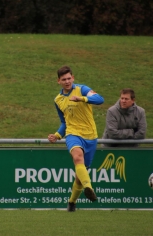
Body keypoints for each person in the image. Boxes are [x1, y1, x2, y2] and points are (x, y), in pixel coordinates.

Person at [47, 65, 104, 212]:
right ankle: (89, 187)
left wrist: (83, 99)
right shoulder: (58, 100)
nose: (67, 81)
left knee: (80, 176)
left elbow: (99, 99)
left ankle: (72, 202)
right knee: (77, 157)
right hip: (73, 134)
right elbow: (64, 122)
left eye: (69, 78)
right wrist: (58, 135)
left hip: (90, 136)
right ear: (58, 81)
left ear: (73, 77)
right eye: (63, 79)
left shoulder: (82, 89)